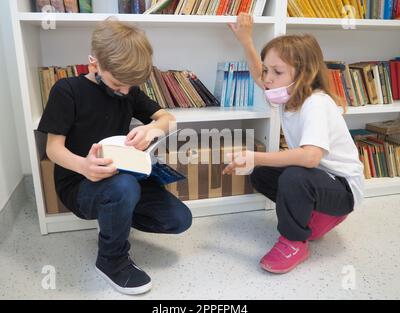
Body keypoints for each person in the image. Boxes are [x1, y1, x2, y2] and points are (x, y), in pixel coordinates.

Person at [38, 20, 192, 294]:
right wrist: (84, 167)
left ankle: (116, 216)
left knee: (179, 220)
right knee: (123, 188)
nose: (124, 92)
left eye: (129, 87)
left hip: (124, 177)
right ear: (93, 64)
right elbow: (53, 149)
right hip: (80, 183)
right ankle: (111, 259)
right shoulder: (67, 91)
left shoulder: (129, 91)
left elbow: (168, 119)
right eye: (118, 84)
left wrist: (152, 128)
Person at [224, 13, 364, 274]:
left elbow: (310, 157)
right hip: (318, 182)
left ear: (304, 75)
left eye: (277, 72)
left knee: (294, 175)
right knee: (263, 174)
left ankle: (294, 241)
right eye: (268, 69)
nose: (267, 78)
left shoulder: (316, 103)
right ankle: (306, 220)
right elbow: (259, 75)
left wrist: (255, 155)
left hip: (342, 191)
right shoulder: (286, 96)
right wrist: (246, 40)